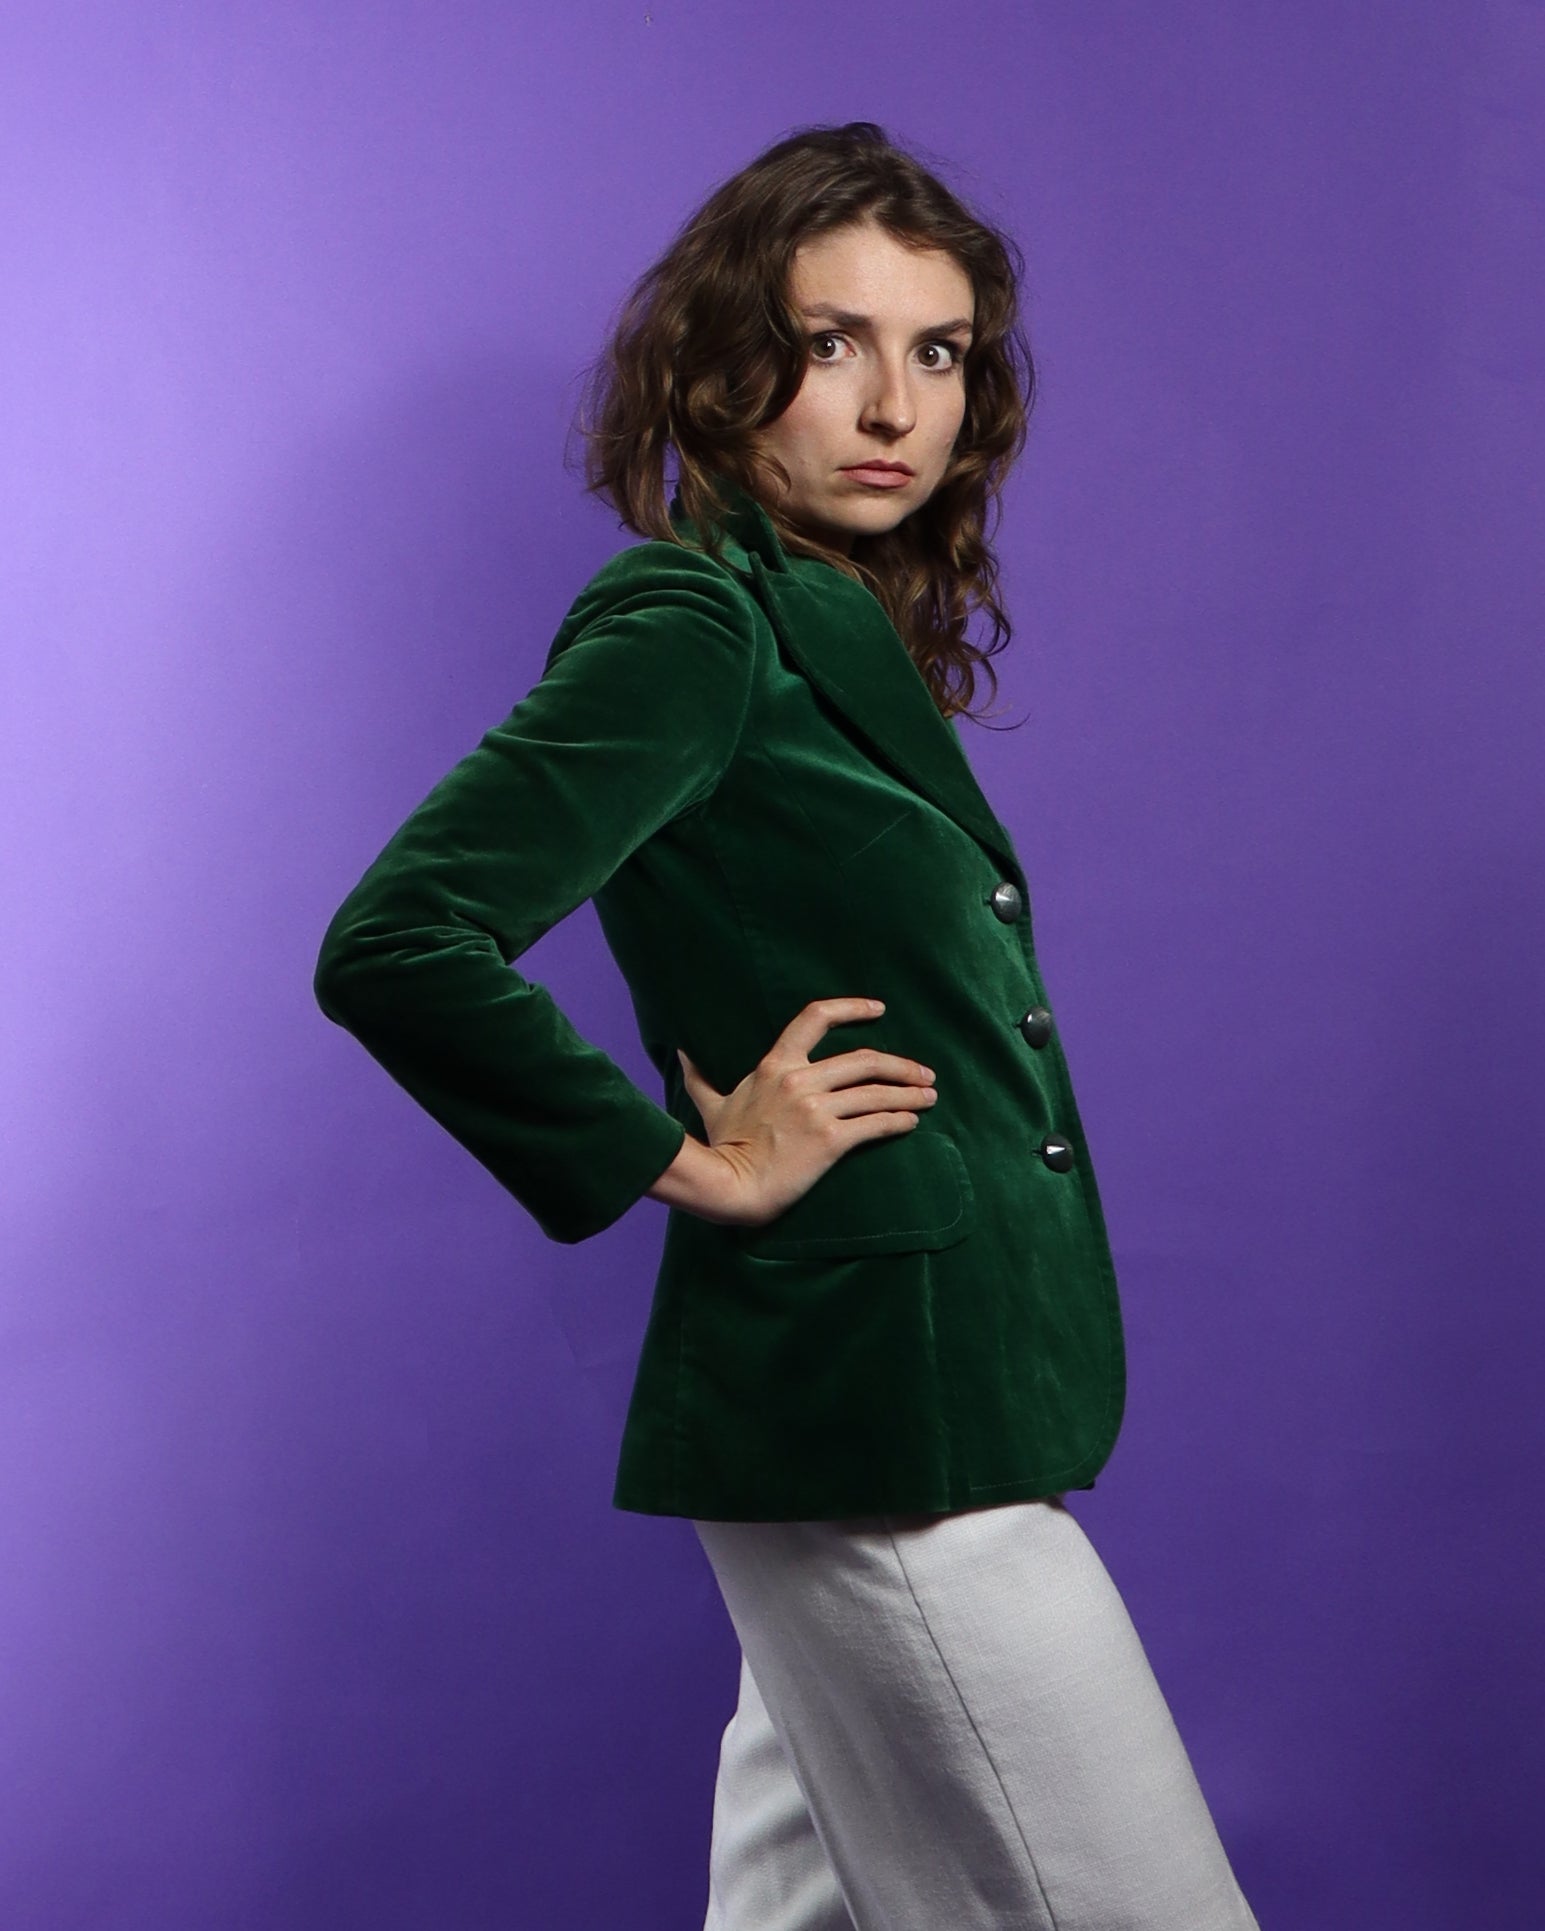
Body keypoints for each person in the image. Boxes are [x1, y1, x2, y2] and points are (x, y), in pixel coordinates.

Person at [314, 120, 1260, 1931]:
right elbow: (400, 939)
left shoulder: (830, 627)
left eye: (939, 351)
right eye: (832, 343)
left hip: (904, 1404)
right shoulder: (694, 619)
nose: (895, 403)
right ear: (718, 363)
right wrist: (690, 1162)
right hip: (878, 1420)